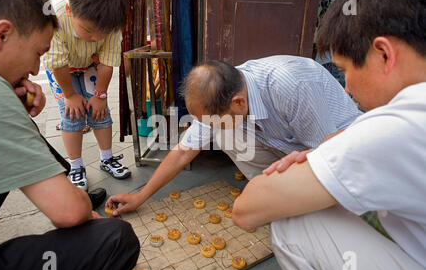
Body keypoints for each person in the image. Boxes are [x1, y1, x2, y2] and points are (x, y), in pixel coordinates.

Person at [232, 0, 426, 270]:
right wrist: (330, 155)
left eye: (344, 69)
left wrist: (318, 165)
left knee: (294, 223)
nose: (346, 87)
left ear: (384, 55)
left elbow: (246, 212)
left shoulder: (397, 127)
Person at [0, 0, 139, 270]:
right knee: (115, 240)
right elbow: (68, 214)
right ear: (2, 35)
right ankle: (73, 182)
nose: (37, 68)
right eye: (38, 53)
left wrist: (9, 103)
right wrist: (79, 207)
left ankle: (70, 181)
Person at [106, 55, 362, 215]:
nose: (206, 124)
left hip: (338, 146)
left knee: (314, 210)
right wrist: (140, 196)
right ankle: (271, 190)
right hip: (284, 142)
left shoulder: (291, 86)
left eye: (210, 119)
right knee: (224, 134)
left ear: (238, 102)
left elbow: (327, 155)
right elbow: (184, 151)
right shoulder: (221, 91)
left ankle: (283, 197)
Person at [42, 0, 131, 192]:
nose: (94, 38)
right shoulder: (54, 18)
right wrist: (71, 95)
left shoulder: (111, 22)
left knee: (100, 111)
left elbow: (107, 63)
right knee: (72, 114)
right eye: (88, 30)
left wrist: (100, 95)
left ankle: (107, 158)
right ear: (71, 10)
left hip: (90, 64)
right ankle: (76, 166)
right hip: (61, 69)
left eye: (102, 34)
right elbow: (58, 64)